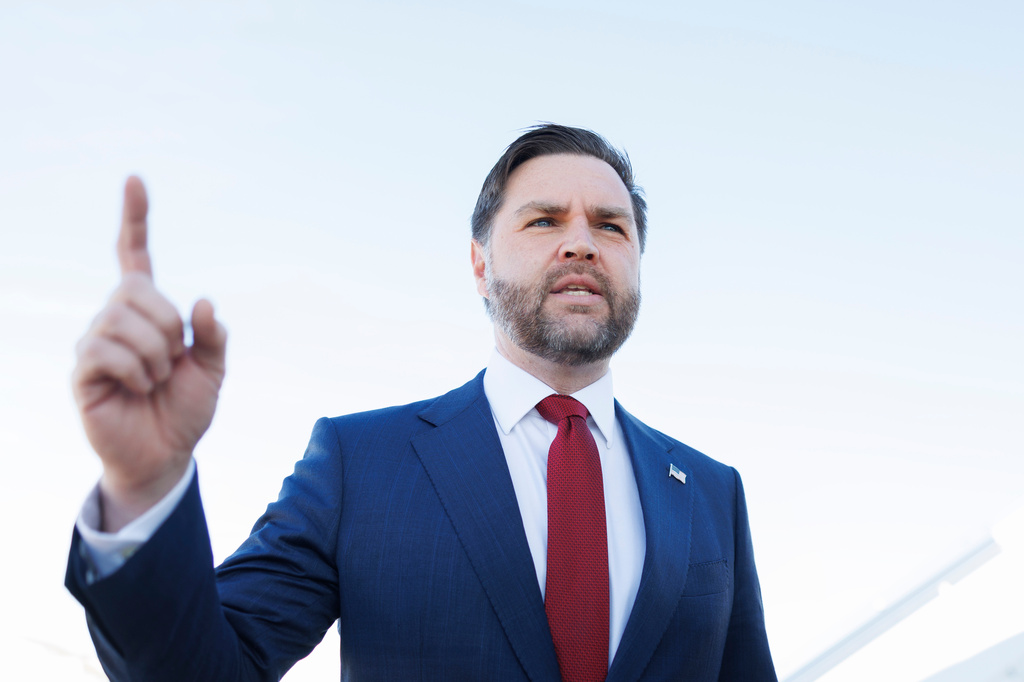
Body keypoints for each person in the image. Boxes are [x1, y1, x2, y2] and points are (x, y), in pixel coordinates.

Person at [66, 124, 777, 681]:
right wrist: (144, 486)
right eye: (544, 221)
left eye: (611, 226)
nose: (582, 245)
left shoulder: (712, 493)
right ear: (480, 265)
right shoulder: (360, 465)